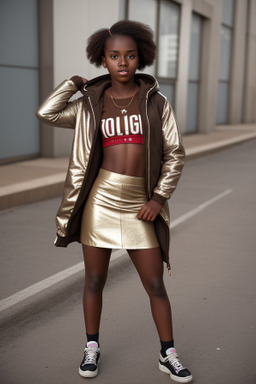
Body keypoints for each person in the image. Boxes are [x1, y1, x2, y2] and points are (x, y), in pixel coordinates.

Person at [36, 20, 192, 383]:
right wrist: (73, 84)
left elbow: (176, 154)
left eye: (130, 55)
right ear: (102, 59)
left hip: (141, 201)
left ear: (141, 58)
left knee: (155, 283)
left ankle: (167, 353)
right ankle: (92, 347)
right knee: (94, 279)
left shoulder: (156, 101)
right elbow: (48, 113)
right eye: (114, 56)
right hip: (101, 199)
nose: (122, 62)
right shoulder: (90, 103)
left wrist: (157, 197)